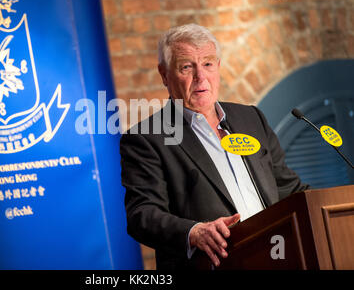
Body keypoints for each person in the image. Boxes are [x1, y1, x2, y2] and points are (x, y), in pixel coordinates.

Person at [119, 23, 308, 270]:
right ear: (164, 74)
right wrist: (194, 232)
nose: (200, 77)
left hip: (278, 256)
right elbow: (142, 215)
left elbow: (288, 188)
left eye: (207, 64)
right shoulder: (147, 138)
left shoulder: (251, 118)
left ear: (217, 67)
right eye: (186, 67)